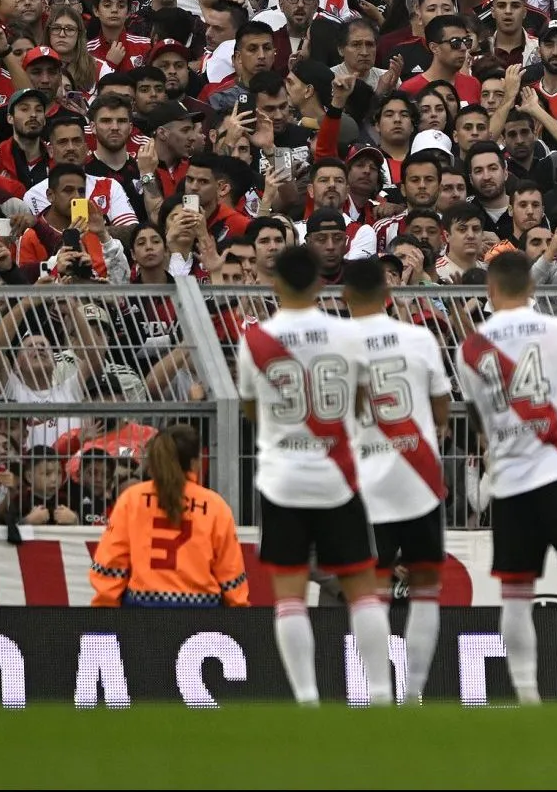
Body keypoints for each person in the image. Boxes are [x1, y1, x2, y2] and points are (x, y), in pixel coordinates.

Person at [458, 247, 557, 705]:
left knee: (515, 593)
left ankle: (526, 694)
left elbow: (478, 418)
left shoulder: (470, 347)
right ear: (531, 287)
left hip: (510, 479)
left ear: (490, 291)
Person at [238, 244, 389, 707]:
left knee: (289, 594)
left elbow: (252, 410)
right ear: (323, 283)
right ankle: (381, 693)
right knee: (362, 589)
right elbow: (364, 402)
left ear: (275, 282)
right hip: (338, 476)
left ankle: (306, 698)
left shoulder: (256, 340)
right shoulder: (348, 335)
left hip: (283, 478)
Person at [347, 253, 453, 705]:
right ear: (389, 296)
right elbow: (442, 404)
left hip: (365, 482)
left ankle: (375, 692)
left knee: (371, 591)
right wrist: (435, 429)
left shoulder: (335, 343)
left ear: (346, 296)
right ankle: (415, 694)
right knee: (426, 589)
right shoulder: (419, 338)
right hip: (419, 479)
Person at [86, 423, 248, 608]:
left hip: (142, 609)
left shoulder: (132, 499)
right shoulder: (214, 505)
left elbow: (111, 563)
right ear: (195, 462)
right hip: (203, 616)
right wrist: (239, 611)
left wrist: (104, 608)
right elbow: (231, 573)